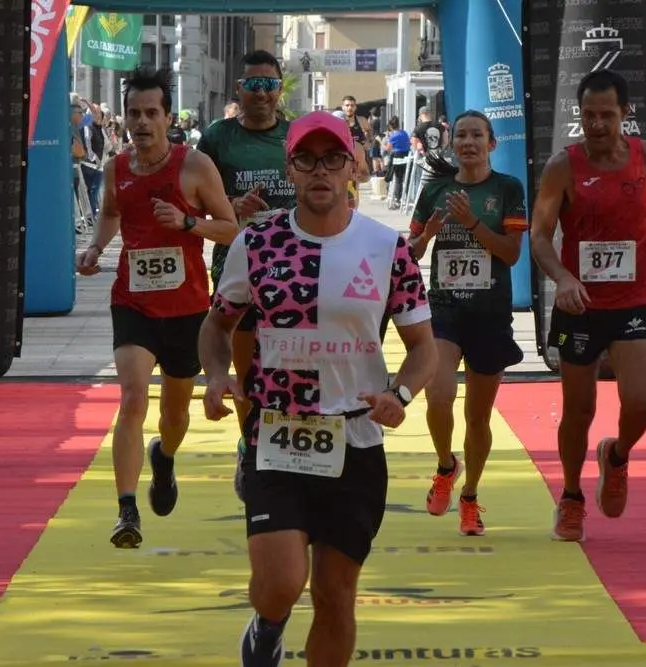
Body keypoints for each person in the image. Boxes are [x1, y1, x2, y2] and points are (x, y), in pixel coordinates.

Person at [198, 111, 437, 667]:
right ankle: (269, 622)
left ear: (353, 166)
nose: (321, 170)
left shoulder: (386, 247)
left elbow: (423, 346)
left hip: (355, 439)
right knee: (282, 583)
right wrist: (215, 375)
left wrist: (399, 397)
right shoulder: (257, 242)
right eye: (307, 159)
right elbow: (216, 325)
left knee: (334, 596)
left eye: (334, 158)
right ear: (291, 168)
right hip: (277, 435)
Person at [75, 67, 239, 548]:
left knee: (174, 415)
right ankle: (127, 510)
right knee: (131, 397)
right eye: (133, 113)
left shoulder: (194, 167)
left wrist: (189, 223)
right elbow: (110, 214)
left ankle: (163, 457)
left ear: (169, 118)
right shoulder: (117, 169)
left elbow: (230, 228)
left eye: (151, 113)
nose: (141, 122)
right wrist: (93, 249)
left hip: (187, 308)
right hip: (133, 303)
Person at [528, 69, 646, 542]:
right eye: (588, 115)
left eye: (606, 115)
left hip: (634, 298)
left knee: (639, 401)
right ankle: (571, 496)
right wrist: (563, 277)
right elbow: (539, 233)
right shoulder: (563, 166)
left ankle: (616, 456)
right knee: (579, 408)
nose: (596, 124)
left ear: (625, 114)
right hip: (581, 306)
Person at [408, 110, 527, 537]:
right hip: (444, 309)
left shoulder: (507, 189)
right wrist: (426, 236)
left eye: (478, 135)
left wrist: (474, 224)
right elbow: (411, 255)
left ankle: (471, 495)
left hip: (490, 314)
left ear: (491, 143)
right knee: (437, 396)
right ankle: (445, 465)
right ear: (452, 143)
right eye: (461, 135)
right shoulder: (435, 189)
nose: (469, 142)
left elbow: (512, 254)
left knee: (478, 417)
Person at [196, 49, 297, 501]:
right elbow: (194, 201)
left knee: (293, 366)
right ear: (240, 90)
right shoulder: (218, 138)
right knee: (247, 372)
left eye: (269, 85)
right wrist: (231, 208)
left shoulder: (297, 135)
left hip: (297, 269)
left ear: (280, 89)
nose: (261, 93)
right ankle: (251, 445)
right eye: (252, 85)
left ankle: (294, 454)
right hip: (238, 265)